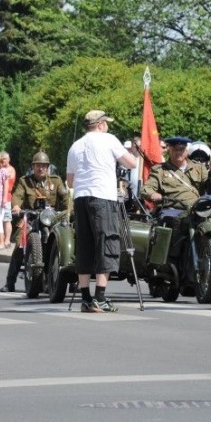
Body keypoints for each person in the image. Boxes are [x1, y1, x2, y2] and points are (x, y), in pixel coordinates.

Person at [66, 110, 137, 313]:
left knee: (85, 245)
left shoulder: (76, 145)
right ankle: (100, 297)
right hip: (102, 197)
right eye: (106, 123)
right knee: (107, 241)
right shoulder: (108, 139)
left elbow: (70, 181)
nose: (108, 126)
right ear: (100, 124)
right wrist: (131, 151)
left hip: (81, 197)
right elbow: (131, 163)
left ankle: (86, 299)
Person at [0, 151, 68, 292]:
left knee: (65, 241)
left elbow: (66, 198)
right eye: (38, 165)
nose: (41, 168)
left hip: (51, 219)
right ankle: (10, 281)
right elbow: (17, 196)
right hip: (29, 218)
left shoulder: (55, 181)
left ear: (48, 167)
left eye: (44, 165)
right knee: (20, 244)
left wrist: (68, 211)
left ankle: (73, 281)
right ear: (33, 166)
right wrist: (17, 207)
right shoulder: (24, 181)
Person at [140, 136, 206, 208]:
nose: (178, 152)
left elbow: (210, 184)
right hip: (172, 211)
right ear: (169, 151)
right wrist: (152, 194)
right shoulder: (160, 170)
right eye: (175, 149)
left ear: (186, 151)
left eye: (181, 149)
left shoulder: (199, 168)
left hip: (196, 210)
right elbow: (147, 188)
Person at [0, 151, 16, 247]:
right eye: (1, 159)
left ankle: (7, 240)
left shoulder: (11, 169)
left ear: (8, 159)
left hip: (7, 198)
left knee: (6, 219)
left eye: (4, 159)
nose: (2, 161)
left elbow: (9, 180)